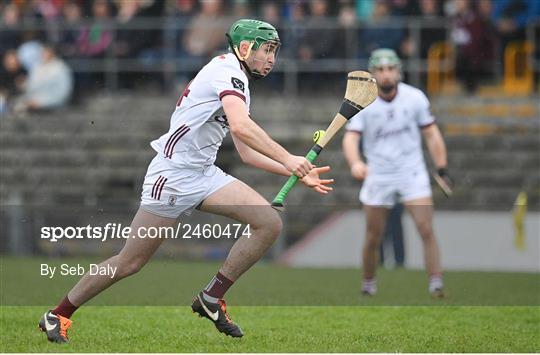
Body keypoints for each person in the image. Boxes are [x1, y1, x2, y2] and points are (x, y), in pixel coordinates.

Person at [38, 18, 334, 343]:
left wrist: (294, 171)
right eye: (267, 50)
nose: (271, 58)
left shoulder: (238, 82)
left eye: (275, 51)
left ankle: (211, 297)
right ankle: (58, 314)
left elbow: (246, 153)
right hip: (173, 177)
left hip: (204, 174)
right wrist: (288, 157)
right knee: (130, 262)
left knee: (267, 223)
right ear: (245, 47)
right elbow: (240, 127)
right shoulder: (227, 71)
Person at [342, 48, 450, 298]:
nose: (386, 74)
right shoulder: (364, 103)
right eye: (380, 70)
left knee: (425, 228)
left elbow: (432, 135)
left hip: (411, 172)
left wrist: (442, 167)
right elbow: (350, 139)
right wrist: (355, 162)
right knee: (373, 236)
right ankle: (368, 283)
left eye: (390, 69)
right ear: (373, 74)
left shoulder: (415, 98)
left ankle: (436, 282)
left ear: (398, 71)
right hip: (378, 174)